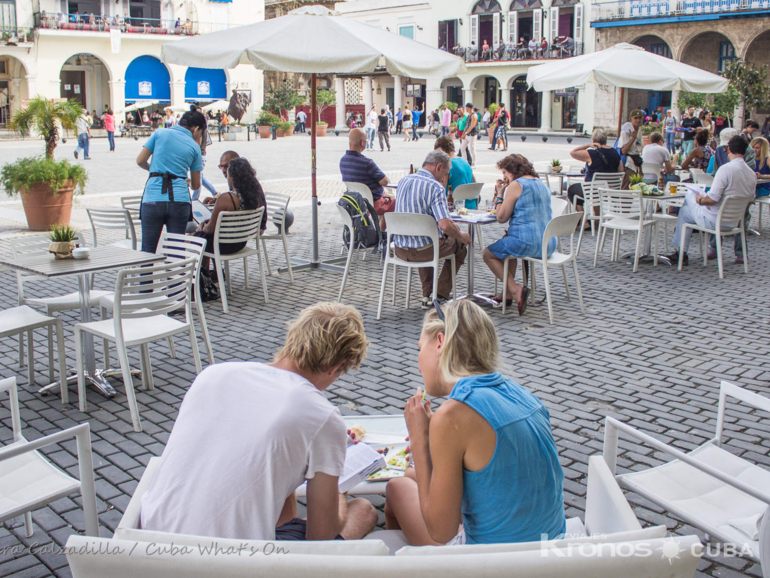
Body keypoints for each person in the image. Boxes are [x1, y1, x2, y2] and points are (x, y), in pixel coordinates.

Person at [140, 302, 378, 542]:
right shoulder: (321, 414)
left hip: (149, 543)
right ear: (334, 368)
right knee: (363, 511)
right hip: (230, 561)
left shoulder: (212, 375)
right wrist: (339, 491)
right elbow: (322, 535)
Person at [384, 299, 565, 546]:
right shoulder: (523, 395)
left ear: (439, 343)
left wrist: (420, 440)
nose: (417, 361)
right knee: (410, 476)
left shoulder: (451, 416)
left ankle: (413, 566)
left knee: (397, 487)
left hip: (493, 563)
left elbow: (441, 531)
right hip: (551, 551)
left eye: (419, 348)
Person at [393, 151, 471, 308]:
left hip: (400, 249)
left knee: (427, 238)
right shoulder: (435, 187)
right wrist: (461, 236)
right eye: (446, 173)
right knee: (458, 245)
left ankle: (427, 294)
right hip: (424, 251)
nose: (445, 178)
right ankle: (440, 294)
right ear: (439, 167)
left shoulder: (403, 181)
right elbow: (445, 225)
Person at [666, 136, 756, 266]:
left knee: (690, 193)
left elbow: (712, 199)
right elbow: (749, 201)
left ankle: (681, 252)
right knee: (685, 212)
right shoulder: (751, 174)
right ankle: (681, 253)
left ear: (728, 149)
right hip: (734, 222)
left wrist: (700, 200)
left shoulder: (725, 170)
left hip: (713, 220)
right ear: (746, 152)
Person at [482, 155, 556, 314]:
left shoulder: (516, 185)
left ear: (512, 170)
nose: (503, 177)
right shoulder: (540, 183)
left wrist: (500, 193)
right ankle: (507, 294)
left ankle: (515, 290)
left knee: (488, 254)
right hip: (548, 243)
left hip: (527, 242)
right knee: (509, 247)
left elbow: (501, 217)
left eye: (504, 173)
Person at [135, 106, 205, 254]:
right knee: (176, 250)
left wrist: (155, 171)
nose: (200, 136)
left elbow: (140, 160)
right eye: (201, 133)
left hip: (153, 198)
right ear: (196, 128)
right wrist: (183, 179)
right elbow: (196, 185)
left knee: (148, 251)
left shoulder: (159, 133)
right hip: (179, 200)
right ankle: (176, 277)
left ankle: (146, 277)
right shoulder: (194, 147)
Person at [193, 157, 267, 274]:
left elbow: (210, 229)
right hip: (241, 242)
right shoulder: (253, 196)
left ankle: (201, 278)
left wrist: (202, 227)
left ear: (232, 176)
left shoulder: (227, 198)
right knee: (203, 237)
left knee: (195, 238)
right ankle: (211, 274)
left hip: (223, 245)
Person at [340, 128, 393, 221]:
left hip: (355, 203)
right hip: (373, 203)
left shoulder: (343, 161)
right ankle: (386, 232)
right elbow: (385, 181)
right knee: (398, 203)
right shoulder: (367, 163)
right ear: (362, 143)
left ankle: (380, 232)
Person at [567, 128, 623, 215]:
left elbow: (573, 152)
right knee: (594, 188)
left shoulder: (592, 154)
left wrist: (588, 145)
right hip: (610, 190)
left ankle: (583, 220)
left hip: (593, 191)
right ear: (606, 140)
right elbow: (621, 171)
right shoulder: (615, 152)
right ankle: (597, 218)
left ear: (593, 140)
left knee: (573, 190)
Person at [618, 109, 644, 188]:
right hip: (628, 163)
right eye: (635, 118)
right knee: (626, 188)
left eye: (639, 118)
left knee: (635, 189)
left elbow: (638, 151)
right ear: (631, 119)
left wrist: (640, 169)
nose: (638, 120)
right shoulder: (625, 131)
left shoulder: (639, 130)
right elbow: (624, 151)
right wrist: (633, 138)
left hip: (636, 163)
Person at [458, 103, 478, 168]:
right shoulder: (468, 115)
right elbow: (466, 126)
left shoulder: (474, 115)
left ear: (469, 108)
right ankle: (465, 162)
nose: (465, 109)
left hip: (472, 134)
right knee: (462, 147)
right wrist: (463, 134)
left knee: (472, 148)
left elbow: (472, 125)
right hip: (467, 134)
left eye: (466, 108)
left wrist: (465, 133)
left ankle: (474, 163)